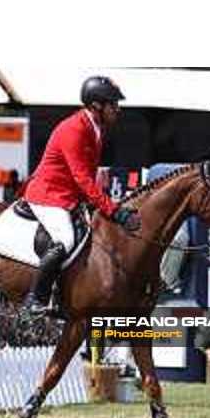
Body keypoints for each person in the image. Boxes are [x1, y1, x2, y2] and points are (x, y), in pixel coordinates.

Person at [21, 75, 135, 314]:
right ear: (96, 107)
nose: (117, 109)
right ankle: (35, 299)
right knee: (65, 239)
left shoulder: (95, 128)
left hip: (69, 195)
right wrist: (114, 210)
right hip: (49, 195)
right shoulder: (74, 129)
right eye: (113, 104)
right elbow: (82, 179)